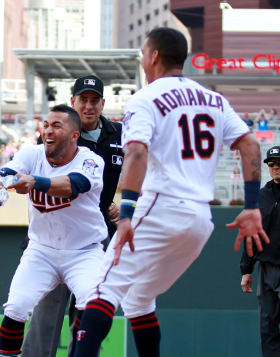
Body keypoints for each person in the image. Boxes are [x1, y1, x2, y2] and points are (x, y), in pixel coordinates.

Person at [73, 27, 269, 357]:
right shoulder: (214, 98)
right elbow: (250, 145)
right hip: (199, 222)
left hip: (160, 206)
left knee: (101, 290)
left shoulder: (145, 97)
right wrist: (251, 206)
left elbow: (135, 153)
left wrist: (126, 216)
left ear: (154, 56)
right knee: (138, 299)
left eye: (143, 55)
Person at [0, 104, 107, 357]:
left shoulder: (90, 159)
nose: (48, 131)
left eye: (56, 126)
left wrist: (34, 181)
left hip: (84, 252)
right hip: (41, 250)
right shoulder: (32, 154)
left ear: (75, 135)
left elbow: (73, 185)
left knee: (94, 306)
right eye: (45, 125)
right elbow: (7, 173)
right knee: (16, 307)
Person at [22, 75, 124, 357]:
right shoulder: (52, 136)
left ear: (103, 103)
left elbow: (142, 171)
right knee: (45, 320)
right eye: (83, 100)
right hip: (53, 238)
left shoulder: (119, 135)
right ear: (73, 102)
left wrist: (121, 204)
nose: (89, 106)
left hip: (94, 242)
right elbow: (33, 182)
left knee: (88, 318)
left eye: (94, 100)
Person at [240, 145, 280, 357]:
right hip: (266, 269)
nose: (276, 167)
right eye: (271, 164)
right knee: (267, 327)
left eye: (279, 163)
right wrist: (246, 269)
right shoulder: (261, 196)